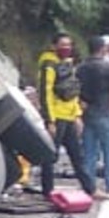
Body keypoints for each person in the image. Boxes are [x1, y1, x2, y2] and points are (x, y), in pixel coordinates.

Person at [37, 32, 93, 197]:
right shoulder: (49, 65)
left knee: (77, 154)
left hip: (69, 116)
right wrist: (50, 120)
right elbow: (45, 93)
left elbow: (72, 92)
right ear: (53, 46)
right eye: (62, 45)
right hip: (56, 117)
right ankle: (48, 191)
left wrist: (77, 115)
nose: (66, 48)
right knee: (50, 156)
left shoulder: (68, 64)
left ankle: (90, 188)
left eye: (69, 45)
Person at [77, 35, 109, 199]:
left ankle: (89, 185)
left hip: (86, 113)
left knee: (89, 151)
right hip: (105, 112)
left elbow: (75, 89)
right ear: (103, 48)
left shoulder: (81, 68)